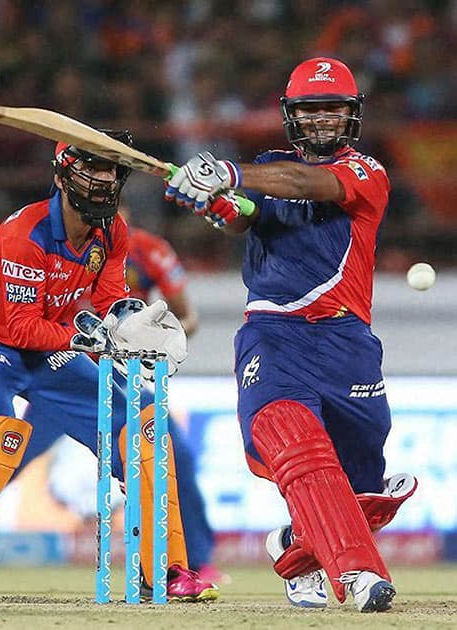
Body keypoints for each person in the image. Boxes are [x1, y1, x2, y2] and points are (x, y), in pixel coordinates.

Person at [0, 133, 219, 603]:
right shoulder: (24, 234)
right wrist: (90, 338)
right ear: (61, 176)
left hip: (48, 341)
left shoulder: (114, 231)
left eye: (110, 170)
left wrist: (132, 325)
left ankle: (167, 570)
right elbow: (19, 328)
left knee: (143, 423)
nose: (102, 180)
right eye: (91, 169)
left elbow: (112, 299)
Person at [165, 57, 417, 613]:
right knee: (298, 450)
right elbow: (247, 215)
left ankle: (296, 550)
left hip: (348, 344)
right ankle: (357, 575)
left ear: (352, 115)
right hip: (274, 338)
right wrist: (217, 203)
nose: (323, 120)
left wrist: (230, 174)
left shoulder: (367, 172)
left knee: (362, 490)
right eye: (311, 109)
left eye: (334, 109)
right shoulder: (270, 168)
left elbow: (311, 184)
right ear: (292, 116)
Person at [16, 200, 221, 582]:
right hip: (66, 371)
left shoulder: (149, 251)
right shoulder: (61, 248)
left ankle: (192, 561)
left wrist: (161, 343)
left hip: (125, 376)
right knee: (8, 454)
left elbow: (186, 316)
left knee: (170, 457)